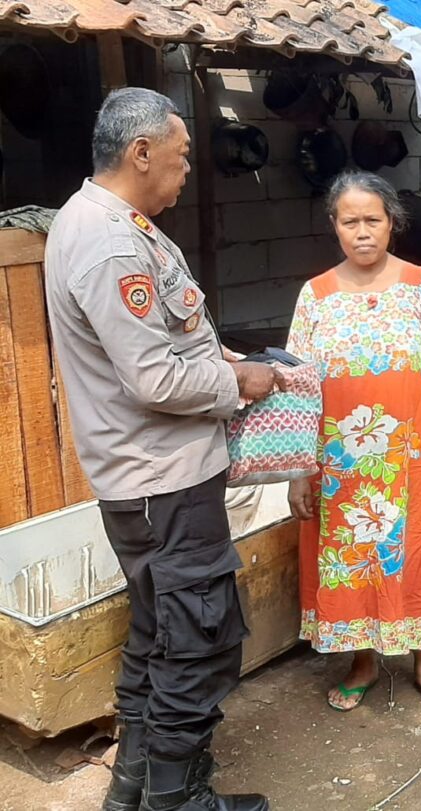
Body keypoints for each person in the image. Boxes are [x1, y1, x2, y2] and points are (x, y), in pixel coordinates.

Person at [46, 88, 280, 811]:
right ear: (139, 152)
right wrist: (242, 378)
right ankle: (179, 801)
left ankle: (132, 792)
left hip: (150, 478)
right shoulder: (112, 240)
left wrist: (220, 354)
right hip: (163, 481)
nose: (184, 174)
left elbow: (166, 344)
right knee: (199, 638)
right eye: (178, 160)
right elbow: (157, 377)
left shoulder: (110, 223)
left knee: (159, 633)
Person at [286, 171, 421, 714]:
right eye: (350, 221)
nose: (362, 231)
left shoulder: (420, 286)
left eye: (373, 220)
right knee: (349, 559)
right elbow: (297, 388)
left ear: (391, 224)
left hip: (405, 457)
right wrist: (298, 470)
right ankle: (361, 660)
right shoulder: (314, 296)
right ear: (334, 227)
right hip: (338, 463)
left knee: (413, 551)